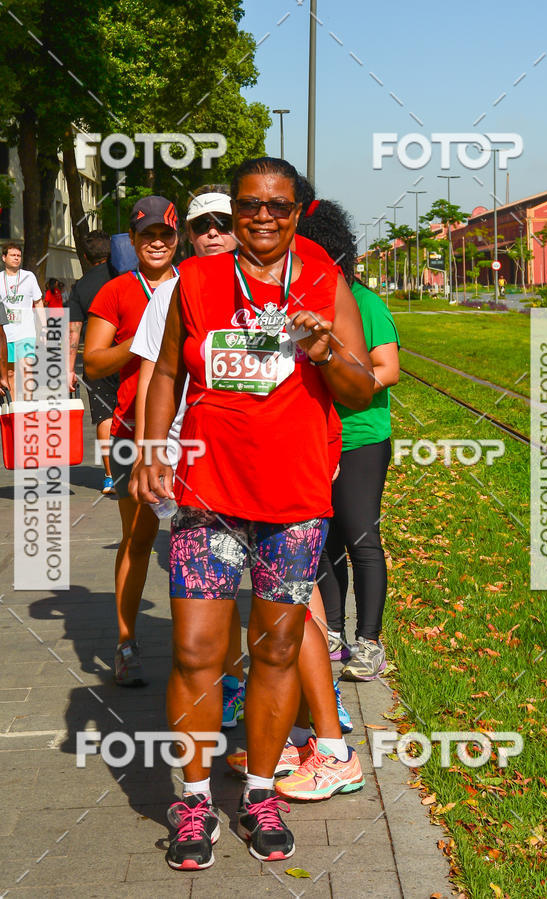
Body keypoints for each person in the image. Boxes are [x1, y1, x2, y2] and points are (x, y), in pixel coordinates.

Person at [130, 157, 373, 870]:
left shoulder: (325, 278)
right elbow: (169, 369)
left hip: (294, 501)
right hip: (209, 495)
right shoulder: (197, 280)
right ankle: (197, 799)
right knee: (196, 651)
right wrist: (150, 445)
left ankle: (260, 792)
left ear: (300, 208)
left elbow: (359, 390)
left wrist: (326, 349)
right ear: (233, 212)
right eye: (248, 207)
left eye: (278, 206)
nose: (262, 218)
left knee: (273, 649)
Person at [130, 188, 245, 725]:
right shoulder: (171, 293)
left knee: (288, 592)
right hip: (192, 461)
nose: (214, 234)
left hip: (266, 464)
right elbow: (157, 374)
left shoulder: (271, 287)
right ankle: (227, 685)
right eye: (203, 227)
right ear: (189, 239)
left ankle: (318, 715)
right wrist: (150, 452)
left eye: (225, 222)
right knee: (211, 585)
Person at [297, 200, 400, 681]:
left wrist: (347, 383)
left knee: (361, 537)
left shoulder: (364, 301)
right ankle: (333, 631)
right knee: (325, 541)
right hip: (315, 438)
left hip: (360, 437)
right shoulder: (298, 302)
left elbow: (388, 369)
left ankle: (370, 642)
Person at [83, 196, 179, 686]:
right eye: (148, 236)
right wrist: (138, 339)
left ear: (176, 238)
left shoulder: (197, 285)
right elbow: (93, 363)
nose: (157, 243)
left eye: (165, 234)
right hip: (130, 433)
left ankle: (204, 653)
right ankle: (126, 642)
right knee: (139, 539)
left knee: (202, 541)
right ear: (134, 241)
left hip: (194, 435)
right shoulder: (116, 291)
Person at [69, 230, 119, 494]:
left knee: (104, 414)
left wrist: (68, 370)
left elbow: (73, 331)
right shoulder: (126, 275)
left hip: (96, 358)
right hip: (128, 351)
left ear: (86, 257)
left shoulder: (81, 286)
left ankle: (111, 476)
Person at [1, 242, 44, 399]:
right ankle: (14, 409)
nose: (16, 258)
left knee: (26, 370)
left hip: (26, 332)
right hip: (6, 335)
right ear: (4, 257)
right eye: (13, 255)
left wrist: (44, 328)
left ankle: (27, 407)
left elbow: (38, 302)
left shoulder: (29, 277)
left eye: (19, 255)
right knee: (10, 373)